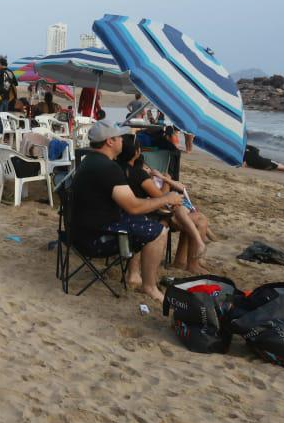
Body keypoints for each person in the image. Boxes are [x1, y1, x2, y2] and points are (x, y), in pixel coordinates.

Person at [71, 120, 179, 302]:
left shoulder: (89, 161)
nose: (122, 140)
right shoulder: (108, 168)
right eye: (119, 137)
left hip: (79, 231)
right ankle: (149, 286)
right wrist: (167, 198)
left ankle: (135, 274)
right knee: (159, 231)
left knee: (139, 221)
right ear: (109, 141)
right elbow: (134, 207)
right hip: (95, 238)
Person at [117, 134, 208, 273]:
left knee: (188, 217)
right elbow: (163, 199)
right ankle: (191, 263)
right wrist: (166, 181)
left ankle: (181, 261)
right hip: (149, 215)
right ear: (136, 152)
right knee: (200, 219)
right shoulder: (139, 175)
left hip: (126, 214)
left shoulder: (117, 169)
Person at [0, 57, 17, 130]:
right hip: (7, 99)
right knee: (5, 118)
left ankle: (0, 133)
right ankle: (5, 134)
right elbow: (14, 87)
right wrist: (14, 98)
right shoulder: (11, 73)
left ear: (0, 64)